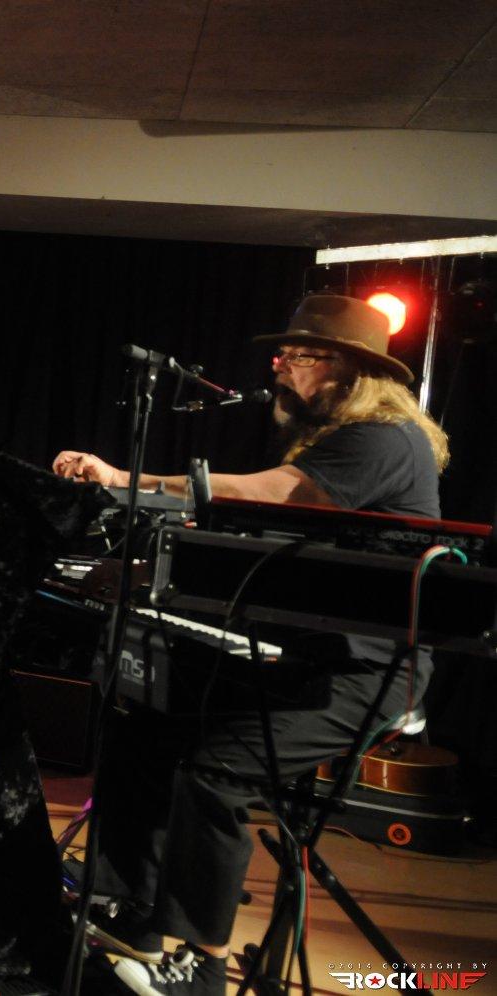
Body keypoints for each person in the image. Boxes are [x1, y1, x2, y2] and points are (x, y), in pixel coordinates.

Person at [52, 294, 449, 995]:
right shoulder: (341, 441)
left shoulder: (384, 439)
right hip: (310, 657)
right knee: (148, 728)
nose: (279, 366)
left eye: (297, 355)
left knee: (216, 772)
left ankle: (200, 965)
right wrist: (144, 576)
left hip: (370, 671)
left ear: (345, 369)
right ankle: (129, 910)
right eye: (282, 354)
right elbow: (257, 553)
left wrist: (123, 480)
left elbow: (270, 496)